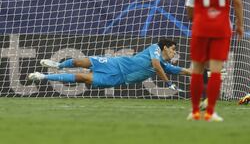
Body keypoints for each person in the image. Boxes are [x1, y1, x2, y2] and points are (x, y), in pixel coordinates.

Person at [184, 0, 244, 122]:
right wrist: (240, 25)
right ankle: (210, 112)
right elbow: (236, 1)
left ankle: (194, 112)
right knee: (216, 70)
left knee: (197, 69)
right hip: (221, 26)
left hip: (201, 25)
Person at [28, 39, 191, 89]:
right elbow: (155, 65)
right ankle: (58, 65)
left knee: (82, 77)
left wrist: (206, 72)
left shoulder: (165, 66)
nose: (174, 53)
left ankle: (43, 76)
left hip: (117, 78)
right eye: (173, 49)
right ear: (165, 47)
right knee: (81, 61)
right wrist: (169, 83)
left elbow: (185, 71)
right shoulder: (155, 49)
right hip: (114, 63)